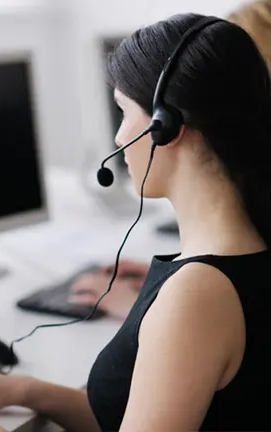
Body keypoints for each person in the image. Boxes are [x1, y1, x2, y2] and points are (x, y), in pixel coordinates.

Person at [0, 13, 271, 431]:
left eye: (123, 112)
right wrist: (24, 391)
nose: (120, 136)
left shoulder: (197, 295)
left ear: (166, 127)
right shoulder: (239, 252)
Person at [68, 0, 271, 321]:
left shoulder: (204, 285)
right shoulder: (246, 235)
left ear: (164, 124)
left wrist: (165, 311)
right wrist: (164, 286)